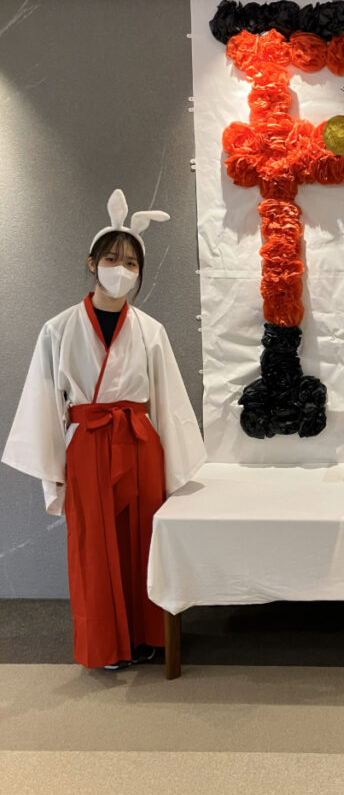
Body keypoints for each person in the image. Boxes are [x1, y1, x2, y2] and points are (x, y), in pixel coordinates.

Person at [2, 190, 206, 670]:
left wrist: (177, 468)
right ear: (91, 263)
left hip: (139, 442)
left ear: (139, 273)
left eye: (131, 262)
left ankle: (150, 635)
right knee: (95, 546)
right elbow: (46, 401)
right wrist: (54, 470)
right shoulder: (58, 329)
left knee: (143, 541)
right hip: (89, 444)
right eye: (112, 258)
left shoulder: (151, 330)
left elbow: (168, 399)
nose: (121, 268)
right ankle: (106, 645)